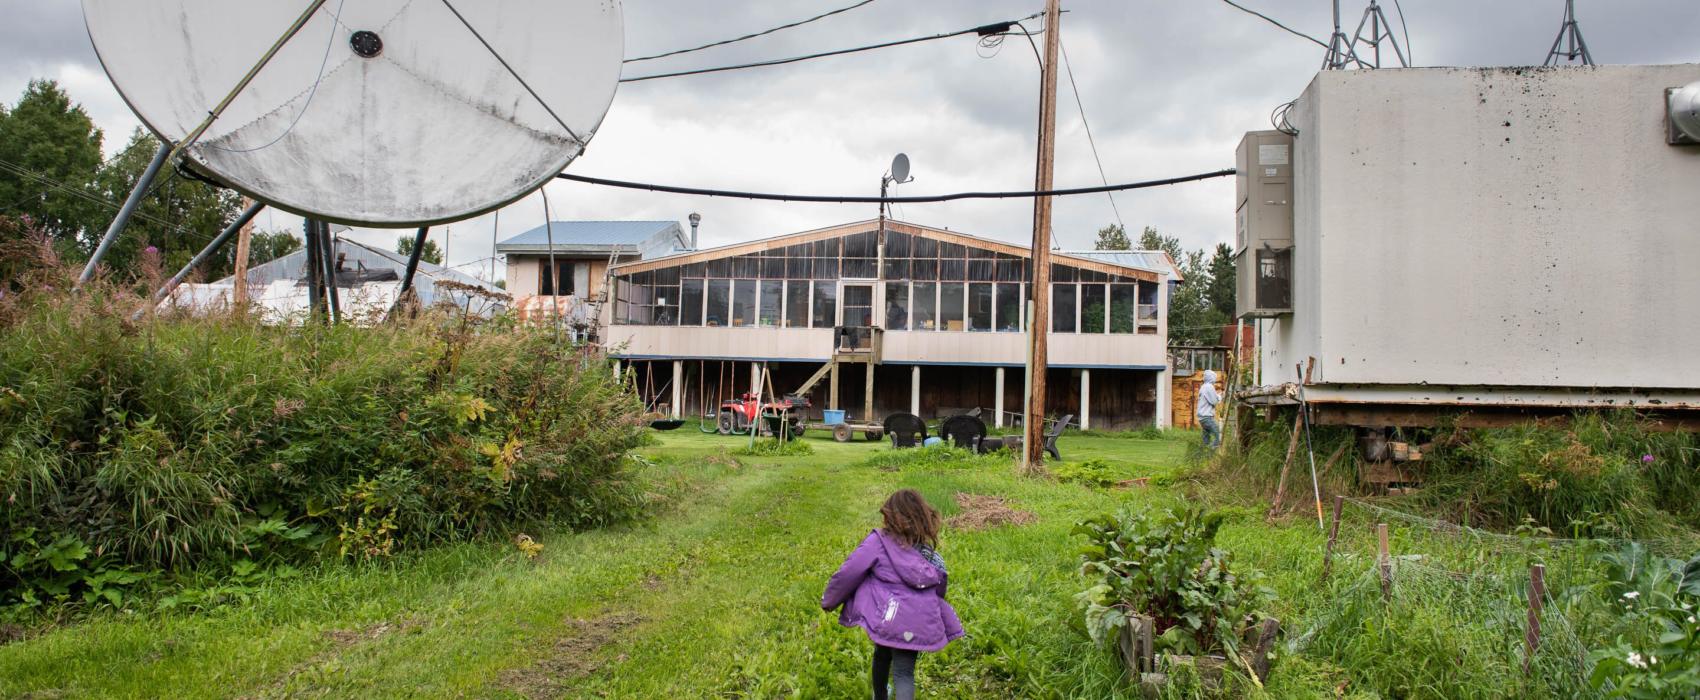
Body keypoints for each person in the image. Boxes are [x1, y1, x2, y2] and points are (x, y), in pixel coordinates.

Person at [822, 490, 964, 700]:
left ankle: (880, 696)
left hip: (887, 616)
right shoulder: (929, 554)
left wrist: (830, 600)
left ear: (889, 516)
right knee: (904, 673)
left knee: (881, 656)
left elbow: (850, 571)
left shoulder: (878, 542)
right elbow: (939, 586)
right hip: (917, 621)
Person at [1197, 369, 1222, 449]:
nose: (1215, 379)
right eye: (1214, 377)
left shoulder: (1203, 386)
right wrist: (1220, 396)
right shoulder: (1209, 387)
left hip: (1202, 417)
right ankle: (1212, 451)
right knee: (1218, 435)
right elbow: (1214, 401)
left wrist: (1217, 396)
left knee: (1206, 438)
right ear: (1211, 378)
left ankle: (1204, 452)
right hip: (1207, 416)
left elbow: (1211, 398)